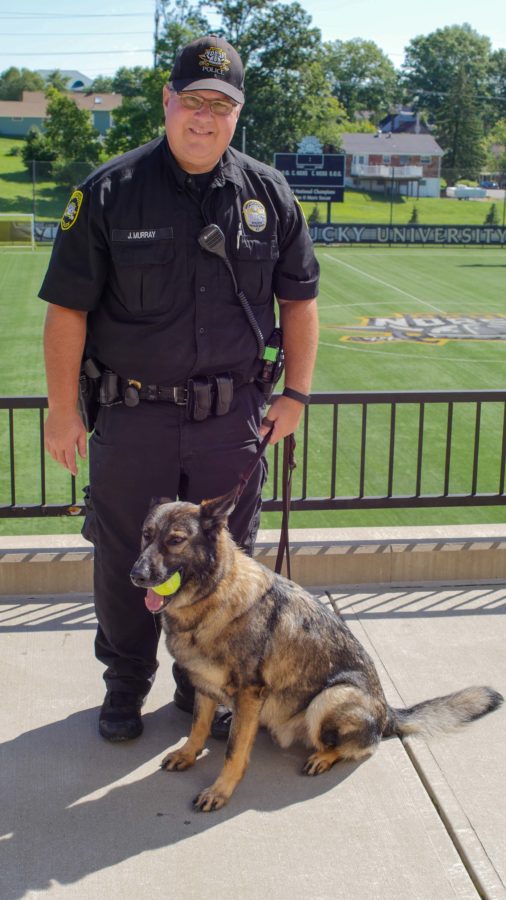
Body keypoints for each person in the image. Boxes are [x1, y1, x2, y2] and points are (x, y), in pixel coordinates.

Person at [39, 34, 319, 743]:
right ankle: (122, 687)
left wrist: (298, 395)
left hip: (232, 424)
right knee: (126, 561)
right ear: (167, 101)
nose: (205, 118)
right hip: (135, 422)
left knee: (226, 569)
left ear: (237, 114)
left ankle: (203, 692)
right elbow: (67, 310)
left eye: (221, 106)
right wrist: (63, 410)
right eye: (193, 101)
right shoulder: (109, 192)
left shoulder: (269, 195)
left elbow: (301, 302)